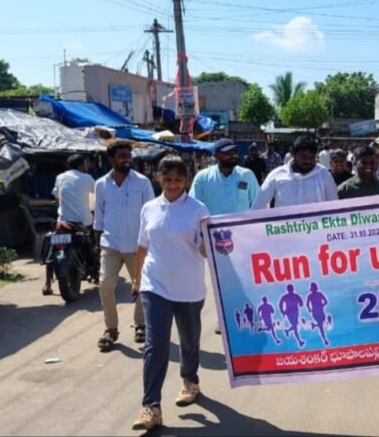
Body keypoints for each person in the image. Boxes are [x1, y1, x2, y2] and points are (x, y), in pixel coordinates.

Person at [130, 156, 211, 431]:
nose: (173, 184)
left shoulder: (198, 210)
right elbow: (142, 246)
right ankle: (151, 406)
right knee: (155, 345)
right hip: (155, 286)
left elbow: (205, 251)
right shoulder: (149, 208)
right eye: (167, 179)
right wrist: (137, 279)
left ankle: (190, 381)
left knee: (189, 341)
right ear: (158, 178)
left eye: (178, 179)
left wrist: (210, 236)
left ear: (186, 180)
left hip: (189, 288)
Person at [189, 138, 260, 334]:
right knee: (223, 281)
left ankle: (250, 315)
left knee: (246, 279)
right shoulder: (203, 178)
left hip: (244, 238)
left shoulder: (247, 175)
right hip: (215, 239)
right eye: (227, 153)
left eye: (234, 152)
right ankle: (224, 318)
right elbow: (194, 207)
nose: (233, 156)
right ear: (216, 155)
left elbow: (258, 205)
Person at [94, 140, 154, 351]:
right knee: (105, 285)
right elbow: (99, 216)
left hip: (137, 246)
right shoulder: (101, 184)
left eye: (128, 156)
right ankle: (111, 329)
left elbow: (152, 213)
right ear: (111, 159)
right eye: (121, 156)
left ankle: (141, 325)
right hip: (110, 245)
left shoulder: (142, 182)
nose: (126, 160)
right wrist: (97, 242)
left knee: (141, 286)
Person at [45, 154, 96, 296]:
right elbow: (96, 195)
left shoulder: (60, 177)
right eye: (85, 164)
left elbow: (56, 198)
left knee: (53, 248)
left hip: (63, 221)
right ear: (81, 165)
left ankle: (47, 284)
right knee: (94, 240)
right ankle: (93, 268)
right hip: (83, 221)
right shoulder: (87, 178)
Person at [253, 135, 339, 209]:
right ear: (293, 154)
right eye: (304, 157)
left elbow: (335, 206)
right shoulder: (276, 175)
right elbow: (258, 206)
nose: (308, 161)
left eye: (312, 157)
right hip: (284, 223)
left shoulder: (323, 174)